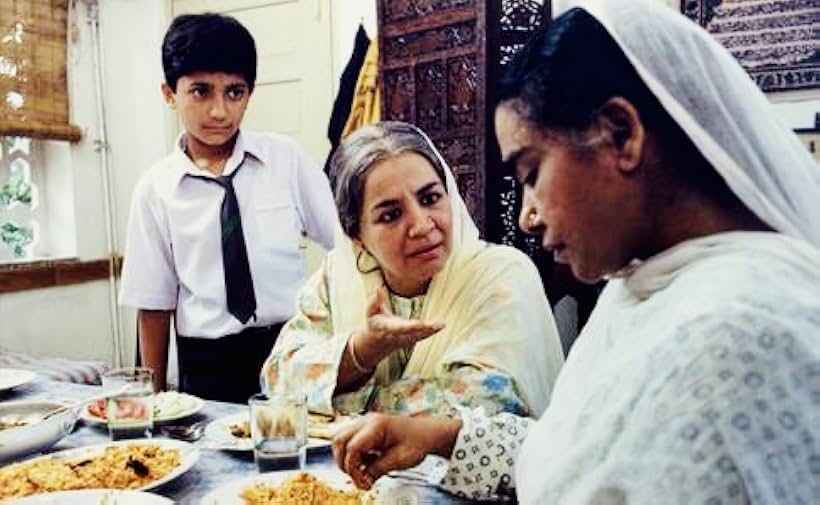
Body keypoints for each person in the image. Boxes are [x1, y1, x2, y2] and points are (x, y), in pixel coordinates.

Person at [331, 1, 820, 503]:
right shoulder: (646, 286)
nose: (527, 216)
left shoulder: (736, 334)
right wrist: (439, 437)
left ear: (620, 135)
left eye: (532, 173)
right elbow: (577, 455)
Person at [260, 121, 564, 419]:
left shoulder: (501, 275)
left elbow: (486, 402)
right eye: (391, 215)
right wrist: (362, 350)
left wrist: (339, 396)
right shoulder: (339, 277)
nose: (421, 225)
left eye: (430, 198)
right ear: (357, 238)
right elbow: (277, 379)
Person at [119, 13, 336, 403]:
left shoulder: (285, 160)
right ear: (170, 94)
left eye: (234, 92)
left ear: (250, 93)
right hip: (207, 363)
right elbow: (153, 305)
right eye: (201, 92)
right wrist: (152, 398)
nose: (220, 111)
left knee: (296, 455)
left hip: (292, 348)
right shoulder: (155, 191)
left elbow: (344, 242)